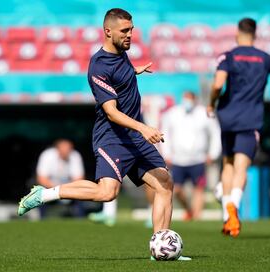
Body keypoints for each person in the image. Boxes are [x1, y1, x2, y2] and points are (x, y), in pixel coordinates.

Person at [17, 8, 190, 261]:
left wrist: (134, 71)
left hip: (134, 137)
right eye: (125, 31)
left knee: (165, 183)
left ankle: (160, 248)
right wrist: (144, 127)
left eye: (131, 30)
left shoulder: (122, 54)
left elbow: (121, 77)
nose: (130, 35)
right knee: (107, 193)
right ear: (108, 32)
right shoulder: (98, 65)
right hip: (113, 138)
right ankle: (44, 194)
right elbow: (111, 112)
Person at [207, 18, 270, 237]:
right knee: (241, 168)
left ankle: (228, 217)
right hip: (251, 120)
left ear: (238, 33)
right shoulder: (266, 59)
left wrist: (211, 103)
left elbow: (218, 84)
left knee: (227, 165)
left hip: (227, 117)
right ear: (254, 35)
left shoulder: (228, 56)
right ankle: (233, 207)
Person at [161, 91, 221, 220]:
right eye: (185, 99)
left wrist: (213, 154)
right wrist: (167, 154)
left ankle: (197, 218)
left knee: (199, 189)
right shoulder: (172, 114)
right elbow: (165, 133)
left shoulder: (204, 113)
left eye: (190, 99)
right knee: (176, 190)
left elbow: (215, 133)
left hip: (198, 159)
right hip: (178, 160)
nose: (187, 102)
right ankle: (189, 210)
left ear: (195, 100)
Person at [35, 139, 85, 217]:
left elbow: (79, 179)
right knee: (40, 193)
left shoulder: (75, 156)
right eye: (63, 150)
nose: (66, 152)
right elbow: (41, 178)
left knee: (82, 193)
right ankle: (41, 219)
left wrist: (67, 190)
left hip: (69, 188)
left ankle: (81, 219)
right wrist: (57, 190)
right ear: (57, 149)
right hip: (51, 187)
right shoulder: (47, 155)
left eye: (68, 150)